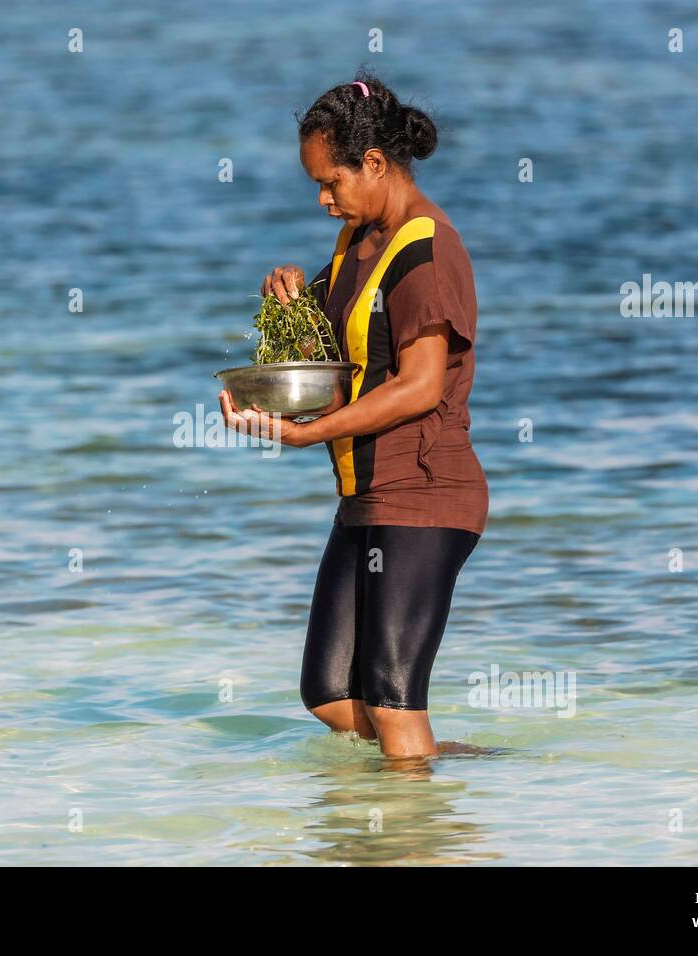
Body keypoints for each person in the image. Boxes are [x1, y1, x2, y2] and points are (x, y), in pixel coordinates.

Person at [218, 70, 489, 759]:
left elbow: (420, 387)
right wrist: (292, 309)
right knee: (331, 694)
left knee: (392, 699)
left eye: (330, 182)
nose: (322, 199)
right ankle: (450, 772)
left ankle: (412, 845)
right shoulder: (355, 246)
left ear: (374, 163)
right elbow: (341, 367)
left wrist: (312, 434)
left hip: (425, 494)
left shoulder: (427, 251)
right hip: (365, 498)